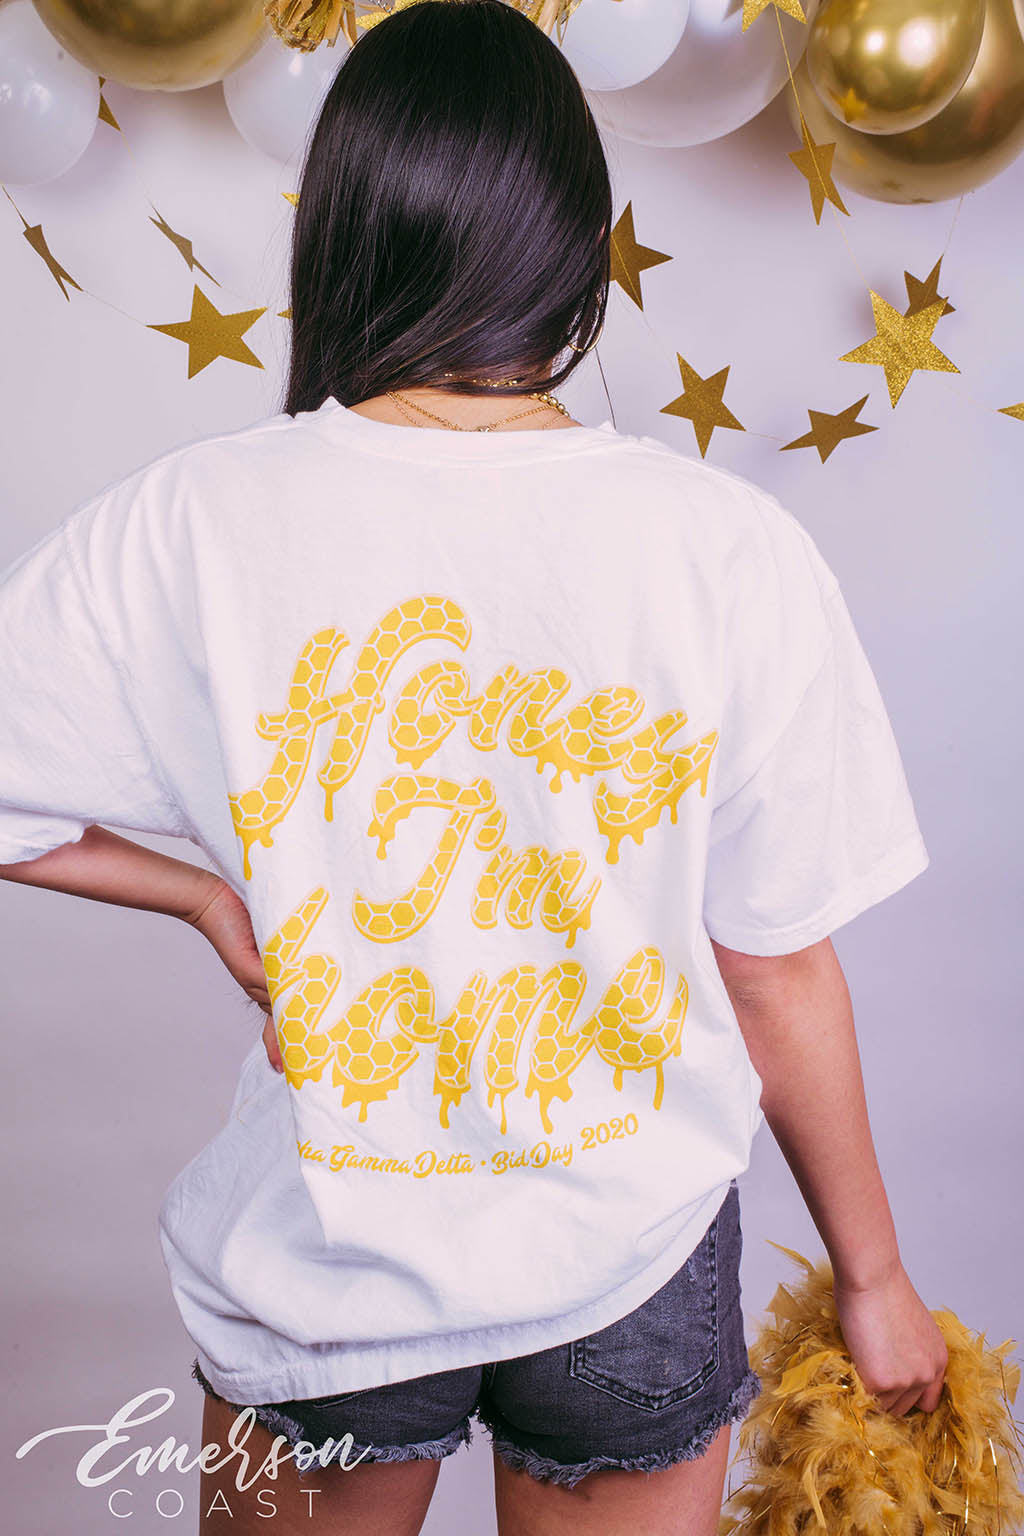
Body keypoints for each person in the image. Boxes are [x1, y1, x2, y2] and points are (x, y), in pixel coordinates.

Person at [0, 2, 948, 1533]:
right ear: (576, 242)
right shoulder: (724, 547)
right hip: (633, 1256)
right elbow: (776, 969)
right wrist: (875, 1277)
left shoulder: (190, 520)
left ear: (342, 231)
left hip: (330, 1257)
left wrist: (201, 896)